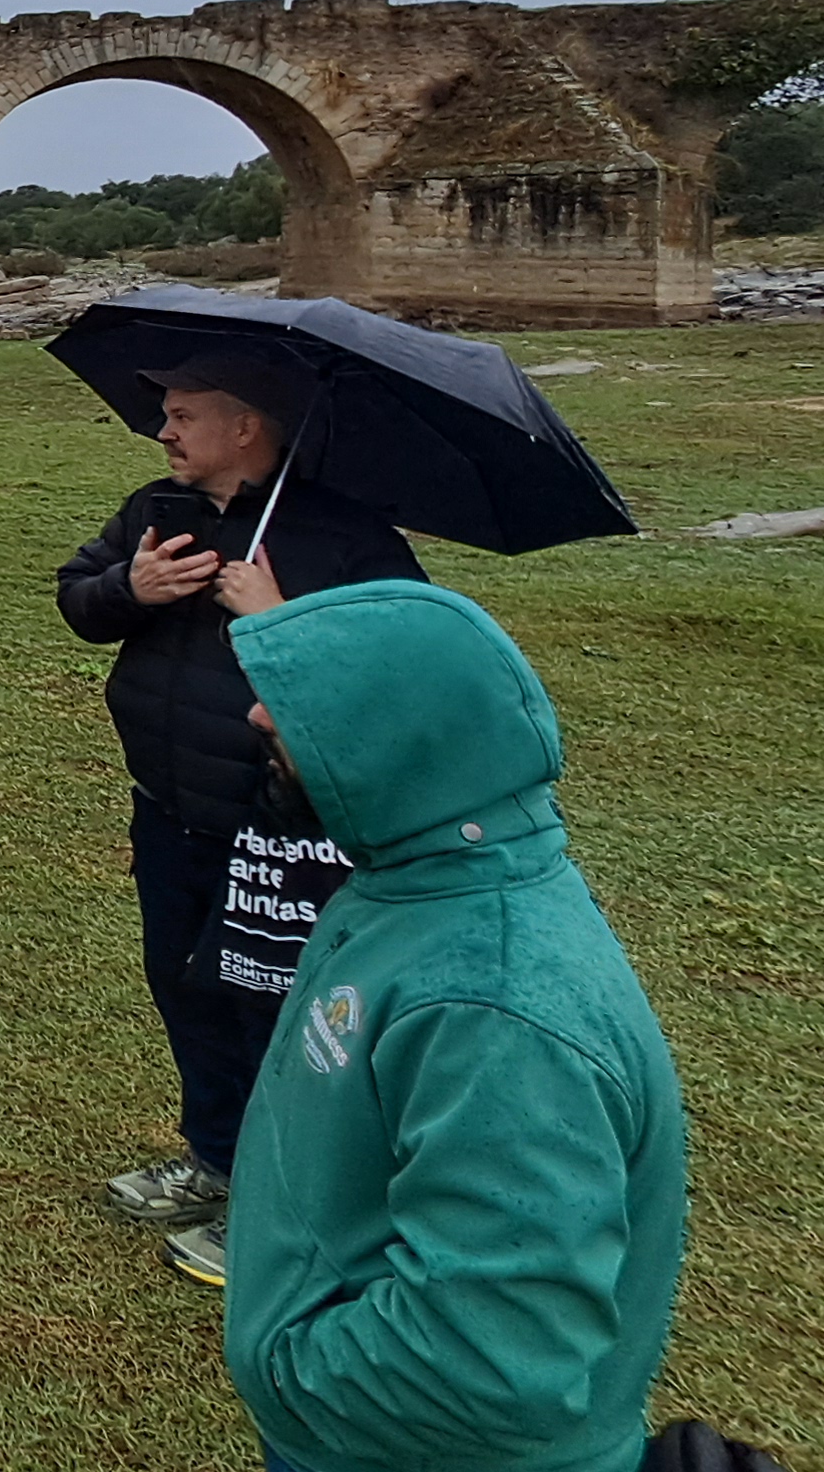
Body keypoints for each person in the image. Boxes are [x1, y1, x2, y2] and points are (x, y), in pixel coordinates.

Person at [227, 580, 687, 1472]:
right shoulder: (417, 882)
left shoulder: (495, 1010)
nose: (256, 715)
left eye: (299, 703)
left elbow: (488, 1362)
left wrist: (287, 1367)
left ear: (400, 738)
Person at [55, 356, 423, 1287]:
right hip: (169, 809)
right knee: (186, 988)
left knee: (273, 1014)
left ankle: (278, 1204)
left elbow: (397, 667)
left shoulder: (345, 537)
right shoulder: (156, 511)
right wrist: (127, 592)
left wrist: (277, 617)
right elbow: (78, 596)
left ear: (245, 427)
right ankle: (215, 1156)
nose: (163, 432)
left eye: (181, 417)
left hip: (278, 831)